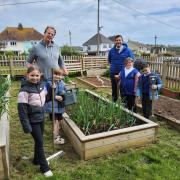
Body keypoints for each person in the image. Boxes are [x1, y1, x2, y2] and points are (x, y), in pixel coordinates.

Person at [17, 66, 53, 177]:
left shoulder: (42, 86)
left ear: (40, 75)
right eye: (32, 75)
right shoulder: (24, 90)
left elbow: (46, 99)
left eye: (37, 75)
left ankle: (36, 160)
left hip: (41, 118)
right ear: (27, 75)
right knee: (40, 142)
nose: (35, 78)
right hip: (32, 120)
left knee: (39, 141)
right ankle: (44, 167)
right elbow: (22, 110)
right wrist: (26, 125)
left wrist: (52, 90)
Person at [108, 35, 134, 102]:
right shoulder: (111, 51)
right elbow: (110, 60)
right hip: (113, 72)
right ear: (115, 42)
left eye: (119, 40)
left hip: (123, 73)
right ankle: (114, 103)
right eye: (117, 40)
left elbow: (132, 60)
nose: (118, 41)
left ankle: (123, 105)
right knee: (114, 89)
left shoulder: (128, 51)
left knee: (123, 89)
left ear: (122, 41)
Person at [45, 68, 66, 144]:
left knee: (59, 120)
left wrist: (62, 97)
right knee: (55, 121)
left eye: (60, 75)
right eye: (56, 74)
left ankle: (57, 134)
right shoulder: (49, 83)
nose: (58, 76)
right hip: (52, 106)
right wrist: (54, 97)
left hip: (60, 106)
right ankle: (55, 137)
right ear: (52, 74)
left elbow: (64, 92)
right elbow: (46, 95)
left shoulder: (62, 83)